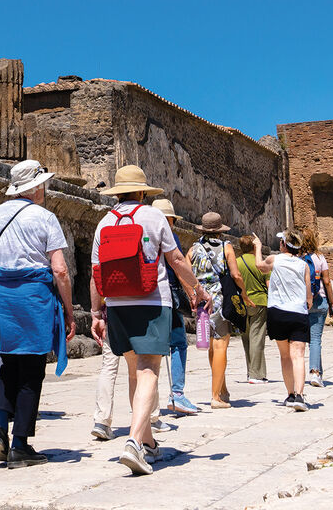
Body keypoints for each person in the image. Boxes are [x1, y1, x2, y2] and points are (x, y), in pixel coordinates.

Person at [89, 165, 208, 476]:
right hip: (152, 302)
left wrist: (96, 313)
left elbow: (95, 273)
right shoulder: (154, 216)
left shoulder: (104, 222)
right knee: (148, 370)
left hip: (117, 305)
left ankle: (149, 443)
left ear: (118, 193)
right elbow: (176, 259)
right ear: (142, 192)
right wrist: (197, 289)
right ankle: (133, 443)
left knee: (134, 373)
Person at [0, 160, 76, 469]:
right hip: (31, 298)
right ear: (36, 187)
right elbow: (60, 270)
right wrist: (69, 312)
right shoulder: (46, 218)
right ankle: (20, 445)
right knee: (31, 368)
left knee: (9, 363)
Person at [188, 212, 242, 409]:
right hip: (219, 299)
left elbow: (185, 274)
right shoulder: (226, 246)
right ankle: (215, 396)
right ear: (220, 230)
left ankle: (222, 389)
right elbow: (235, 274)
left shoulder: (193, 249)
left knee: (211, 347)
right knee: (221, 346)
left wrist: (193, 294)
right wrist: (244, 294)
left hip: (202, 301)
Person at [151, 199, 200, 416]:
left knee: (150, 351)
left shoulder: (144, 233)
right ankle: (177, 394)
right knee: (179, 343)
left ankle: (150, 400)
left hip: (144, 297)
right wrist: (194, 291)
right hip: (168, 296)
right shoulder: (170, 236)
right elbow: (178, 267)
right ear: (169, 220)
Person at [255, 231, 314, 411]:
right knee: (298, 355)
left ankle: (290, 394)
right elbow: (308, 295)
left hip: (277, 312)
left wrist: (258, 247)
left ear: (283, 244)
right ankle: (300, 396)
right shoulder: (303, 265)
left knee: (285, 355)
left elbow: (260, 266)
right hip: (298, 312)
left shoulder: (275, 259)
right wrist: (306, 304)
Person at [299, 231, 333, 387]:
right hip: (319, 301)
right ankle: (315, 373)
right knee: (315, 339)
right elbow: (326, 281)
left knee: (310, 340)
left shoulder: (297, 259)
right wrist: (332, 302)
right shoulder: (320, 258)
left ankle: (318, 372)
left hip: (302, 303)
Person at [233, 234, 270, 383]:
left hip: (242, 304)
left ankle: (250, 371)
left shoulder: (236, 263)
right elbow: (269, 285)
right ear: (254, 247)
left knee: (246, 338)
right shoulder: (260, 263)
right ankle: (256, 374)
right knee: (257, 337)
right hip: (259, 301)